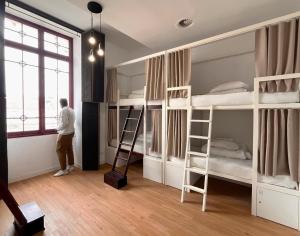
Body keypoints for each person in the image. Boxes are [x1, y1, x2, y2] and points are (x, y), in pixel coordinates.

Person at [54, 98, 75, 177]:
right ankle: (71, 166)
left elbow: (64, 123)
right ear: (66, 102)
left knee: (59, 150)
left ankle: (63, 170)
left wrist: (57, 128)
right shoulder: (71, 110)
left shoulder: (63, 110)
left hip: (65, 133)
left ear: (60, 103)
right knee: (69, 149)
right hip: (71, 132)